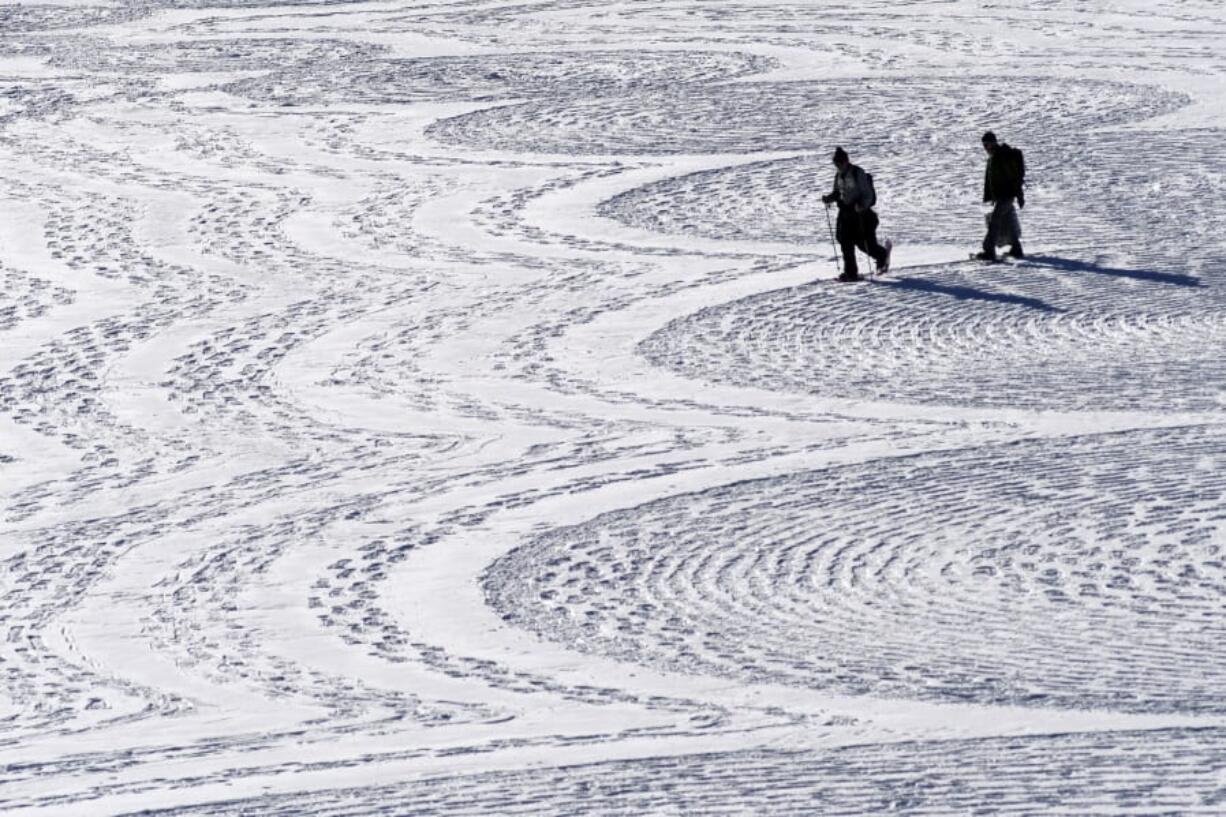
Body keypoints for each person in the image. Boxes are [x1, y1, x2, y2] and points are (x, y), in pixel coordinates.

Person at [821, 146, 891, 282]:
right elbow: (837, 192)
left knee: (863, 244)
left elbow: (867, 194)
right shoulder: (839, 175)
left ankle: (882, 255)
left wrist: (862, 206)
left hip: (861, 215)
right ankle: (851, 273)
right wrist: (829, 198)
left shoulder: (858, 173)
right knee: (844, 242)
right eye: (835, 164)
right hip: (845, 214)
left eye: (839, 163)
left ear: (846, 161)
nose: (837, 166)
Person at [976, 131, 1025, 261]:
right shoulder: (995, 157)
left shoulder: (1001, 156)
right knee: (1008, 220)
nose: (985, 147)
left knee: (995, 222)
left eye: (987, 144)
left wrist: (1018, 193)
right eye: (984, 145)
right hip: (1003, 196)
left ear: (993, 142)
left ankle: (988, 250)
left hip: (1006, 195)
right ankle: (1017, 249)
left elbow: (1013, 176)